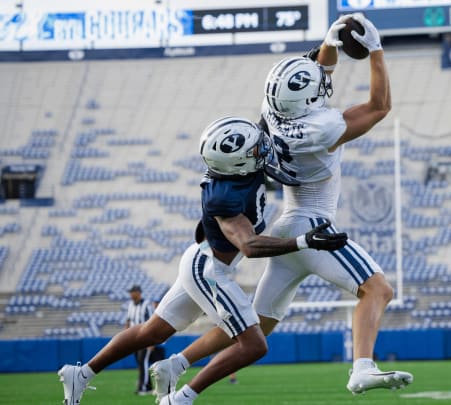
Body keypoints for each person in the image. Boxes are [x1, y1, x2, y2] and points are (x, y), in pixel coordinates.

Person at [153, 13, 413, 396]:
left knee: (254, 325)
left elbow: (314, 80)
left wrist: (330, 44)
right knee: (378, 290)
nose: (323, 87)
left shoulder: (272, 112)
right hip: (311, 224)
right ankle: (362, 366)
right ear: (305, 100)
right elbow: (379, 107)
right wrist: (375, 51)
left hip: (285, 225)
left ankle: (179, 372)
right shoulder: (320, 127)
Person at [58, 117, 348, 405]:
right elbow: (249, 245)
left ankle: (81, 373)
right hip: (209, 270)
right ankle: (181, 399)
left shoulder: (235, 163)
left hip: (202, 259)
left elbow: (265, 119)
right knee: (255, 345)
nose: (262, 149)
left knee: (153, 332)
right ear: (237, 164)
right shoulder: (223, 196)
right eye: (255, 150)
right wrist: (303, 241)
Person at [124, 285, 155, 395]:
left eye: (132, 292)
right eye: (130, 292)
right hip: (134, 339)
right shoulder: (130, 305)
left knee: (143, 362)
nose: (131, 294)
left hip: (145, 339)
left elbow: (152, 322)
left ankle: (142, 388)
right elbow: (128, 321)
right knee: (140, 363)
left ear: (138, 292)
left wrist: (152, 342)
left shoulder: (146, 305)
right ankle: (149, 387)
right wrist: (126, 337)